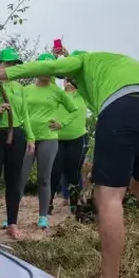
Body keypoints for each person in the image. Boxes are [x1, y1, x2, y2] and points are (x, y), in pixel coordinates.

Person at [0, 49, 139, 278]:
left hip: (126, 104)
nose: (69, 82)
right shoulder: (112, 69)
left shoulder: (84, 60)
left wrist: (0, 73)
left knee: (108, 196)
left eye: (69, 77)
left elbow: (44, 67)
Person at [0, 48, 35, 239]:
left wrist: (31, 137)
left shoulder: (19, 88)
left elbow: (24, 114)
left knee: (14, 181)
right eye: (8, 63)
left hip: (16, 135)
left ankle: (12, 223)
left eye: (14, 64)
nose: (11, 67)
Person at [18, 52, 78, 230]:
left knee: (44, 179)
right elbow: (19, 110)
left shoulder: (57, 92)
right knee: (20, 177)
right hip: (28, 138)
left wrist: (62, 124)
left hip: (48, 139)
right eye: (41, 67)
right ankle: (11, 216)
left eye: (48, 68)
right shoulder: (25, 90)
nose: (44, 72)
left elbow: (74, 110)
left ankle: (43, 216)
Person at [50, 72, 89, 215]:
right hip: (57, 138)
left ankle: (74, 205)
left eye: (71, 80)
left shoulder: (82, 96)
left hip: (77, 138)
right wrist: (55, 57)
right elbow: (50, 74)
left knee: (72, 172)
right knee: (55, 171)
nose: (69, 82)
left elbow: (85, 81)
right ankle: (48, 205)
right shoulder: (57, 94)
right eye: (67, 79)